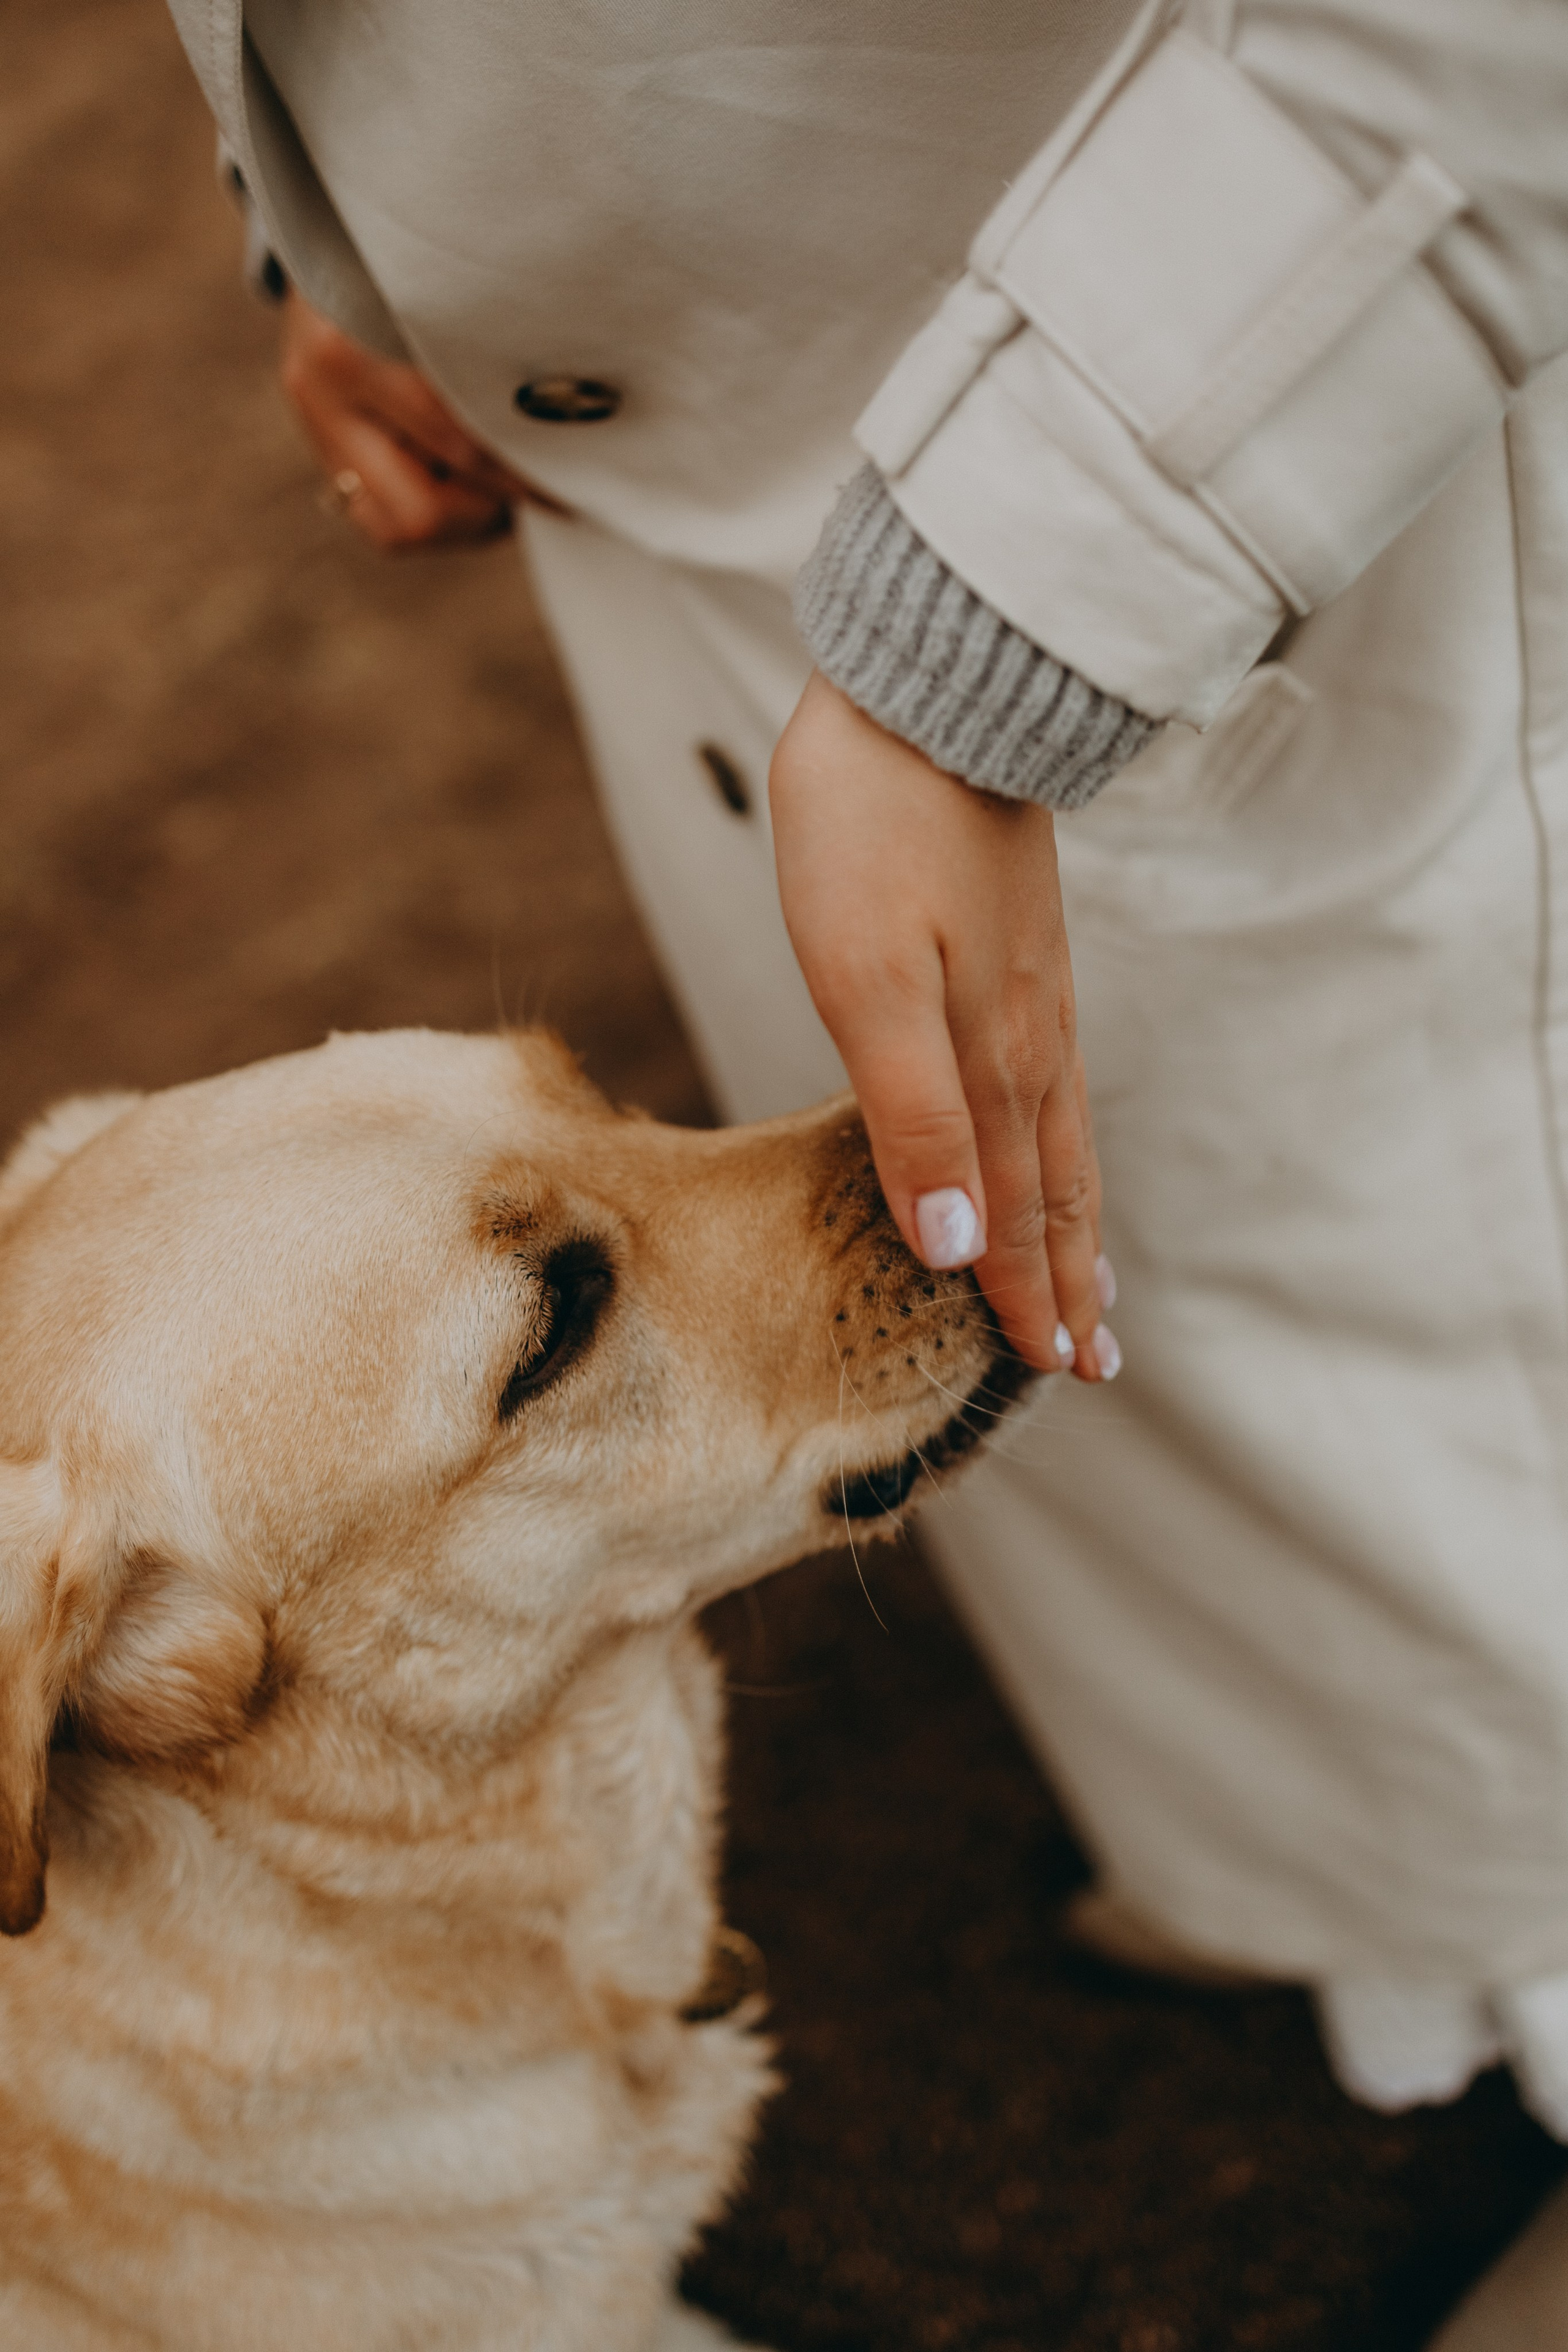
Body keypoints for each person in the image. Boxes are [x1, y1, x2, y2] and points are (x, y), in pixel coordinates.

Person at [165, 0, 1568, 2337]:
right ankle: (1371, 1871)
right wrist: (339, 232)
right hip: (669, 465)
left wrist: (995, 628)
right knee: (1107, 1309)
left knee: (1422, 1305)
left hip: (1235, 402)